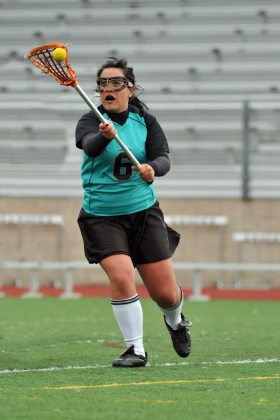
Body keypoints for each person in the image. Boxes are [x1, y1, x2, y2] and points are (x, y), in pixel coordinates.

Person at [75, 57, 192, 368]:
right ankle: (135, 349)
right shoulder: (91, 121)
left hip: (143, 213)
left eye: (116, 83)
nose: (108, 89)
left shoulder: (146, 122)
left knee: (166, 294)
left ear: (130, 89)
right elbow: (90, 146)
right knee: (122, 276)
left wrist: (153, 168)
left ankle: (176, 321)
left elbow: (163, 158)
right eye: (102, 84)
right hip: (102, 216)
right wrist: (104, 136)